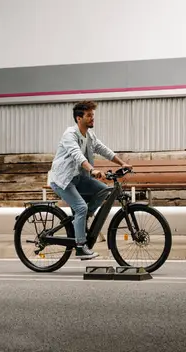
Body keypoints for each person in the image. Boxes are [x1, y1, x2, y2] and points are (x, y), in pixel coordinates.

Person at [48, 100, 132, 260]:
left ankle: (83, 218)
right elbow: (77, 155)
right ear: (79, 118)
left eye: (93, 115)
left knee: (103, 190)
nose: (92, 118)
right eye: (89, 115)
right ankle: (80, 247)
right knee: (80, 208)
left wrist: (122, 163)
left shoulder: (89, 135)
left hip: (78, 178)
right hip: (63, 180)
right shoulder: (70, 135)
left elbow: (103, 149)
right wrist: (92, 169)